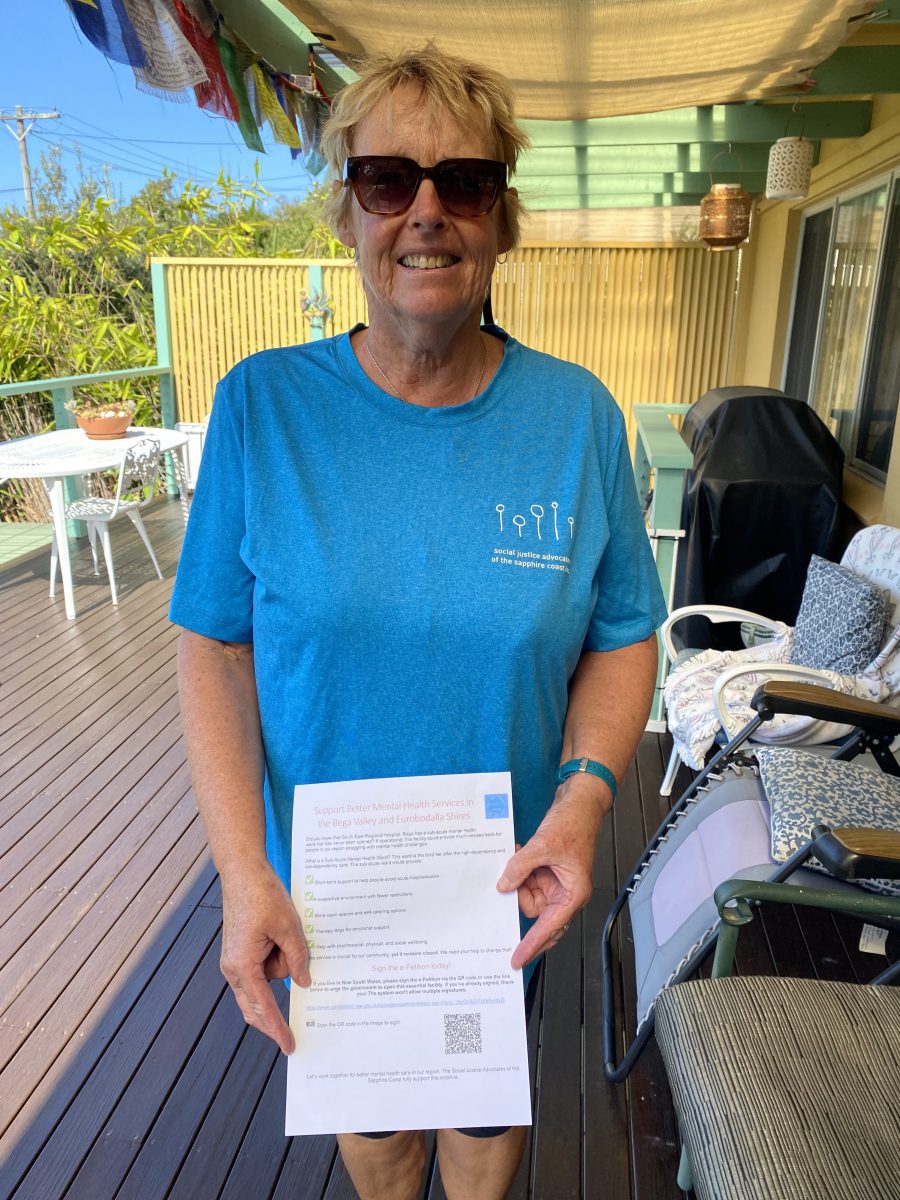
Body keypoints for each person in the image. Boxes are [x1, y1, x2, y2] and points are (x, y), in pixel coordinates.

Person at [170, 43, 666, 1200]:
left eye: (467, 183)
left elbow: (624, 630)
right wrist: (244, 873)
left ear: (504, 222)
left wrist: (588, 798)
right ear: (346, 211)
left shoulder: (578, 419)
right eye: (389, 180)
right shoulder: (262, 409)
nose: (428, 213)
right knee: (384, 1144)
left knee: (486, 1129)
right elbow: (215, 648)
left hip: (504, 886)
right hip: (327, 894)